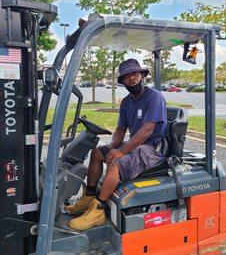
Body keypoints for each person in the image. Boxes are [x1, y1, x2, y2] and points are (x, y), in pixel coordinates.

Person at [66, 58, 167, 230]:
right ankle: (89, 197)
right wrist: (115, 145)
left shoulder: (154, 97)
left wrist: (121, 151)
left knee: (115, 160)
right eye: (127, 76)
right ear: (123, 81)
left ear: (142, 76)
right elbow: (121, 128)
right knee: (98, 152)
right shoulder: (127, 102)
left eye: (135, 74)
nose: (132, 78)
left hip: (151, 148)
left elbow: (147, 131)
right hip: (136, 144)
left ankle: (98, 211)